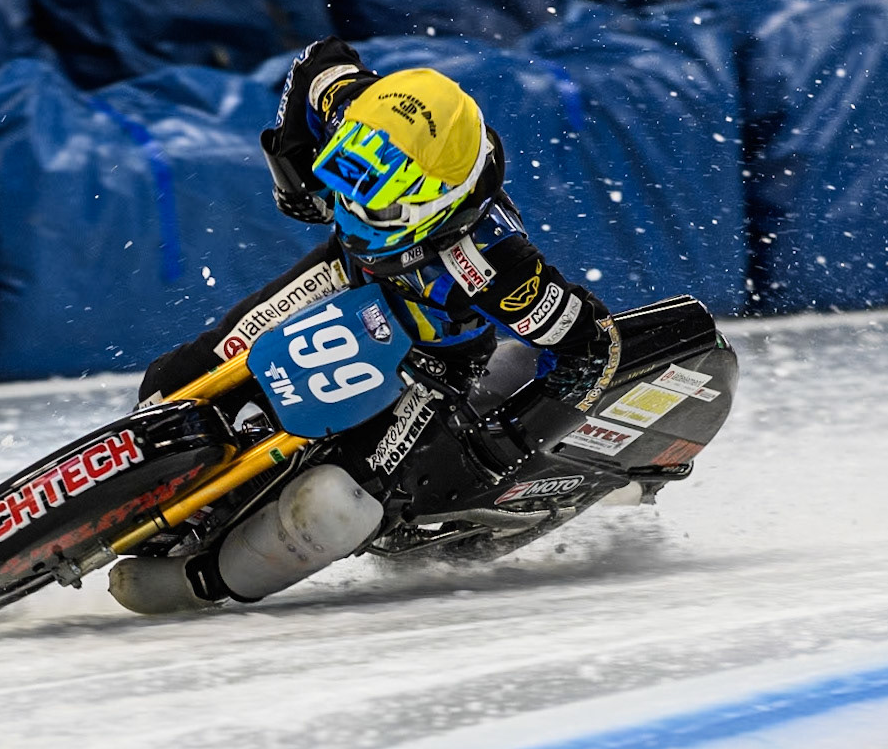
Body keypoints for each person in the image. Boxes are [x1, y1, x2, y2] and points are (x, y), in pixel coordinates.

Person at [107, 38, 620, 614]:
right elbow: (318, 59)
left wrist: (514, 441)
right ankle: (135, 455)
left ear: (439, 204)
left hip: (432, 360)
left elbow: (593, 347)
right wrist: (293, 167)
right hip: (342, 276)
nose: (354, 212)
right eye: (351, 186)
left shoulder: (496, 265)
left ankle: (207, 578)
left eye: (377, 204)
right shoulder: (354, 108)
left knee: (336, 500)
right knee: (192, 368)